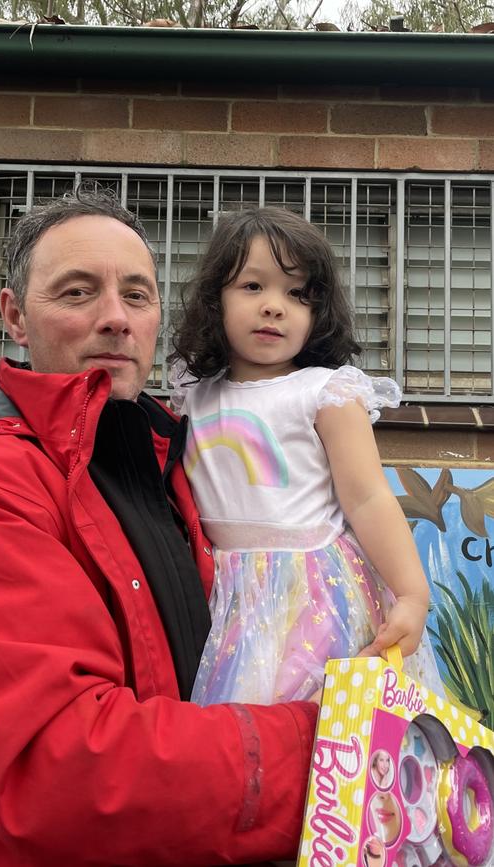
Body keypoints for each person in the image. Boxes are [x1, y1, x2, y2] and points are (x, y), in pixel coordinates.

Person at [0, 192, 319, 867]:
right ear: (15, 316)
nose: (116, 318)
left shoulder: (175, 474)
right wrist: (330, 744)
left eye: (137, 295)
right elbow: (63, 769)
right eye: (78, 292)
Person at [170, 206, 444, 706]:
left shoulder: (325, 392)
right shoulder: (194, 394)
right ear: (215, 300)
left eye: (297, 294)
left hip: (314, 593)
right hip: (222, 593)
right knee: (235, 737)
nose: (274, 306)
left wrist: (411, 594)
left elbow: (368, 500)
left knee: (316, 726)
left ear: (318, 312)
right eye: (252, 286)